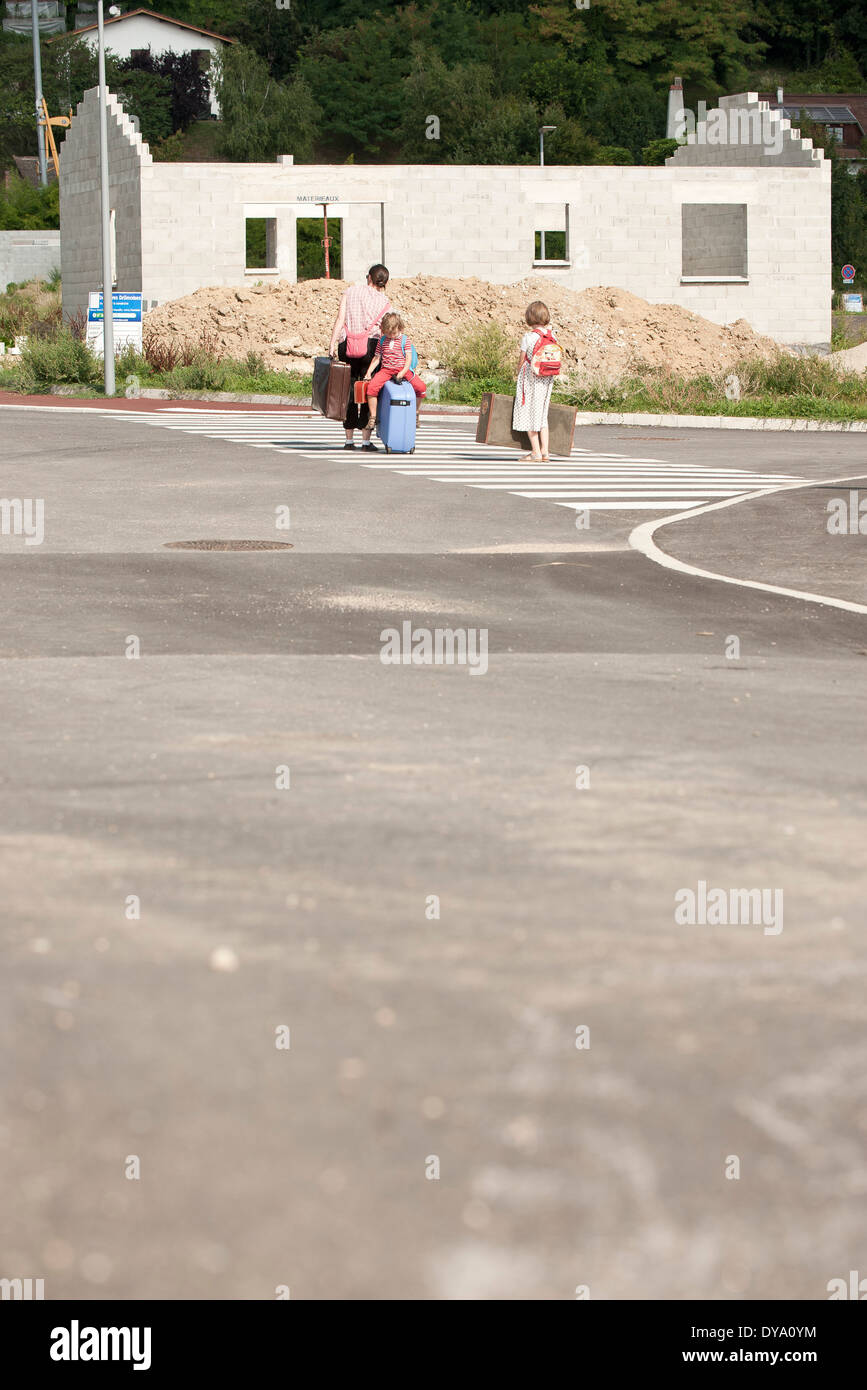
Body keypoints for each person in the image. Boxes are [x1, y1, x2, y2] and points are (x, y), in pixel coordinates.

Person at [328, 264, 392, 450]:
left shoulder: (350, 292)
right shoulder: (384, 301)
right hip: (370, 348)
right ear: (384, 282)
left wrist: (332, 343)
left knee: (347, 391)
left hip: (346, 344)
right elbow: (386, 330)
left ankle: (348, 440)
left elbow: (340, 319)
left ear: (368, 278)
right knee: (367, 390)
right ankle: (365, 440)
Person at [363, 313, 427, 428]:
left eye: (394, 333)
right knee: (371, 388)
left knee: (421, 387)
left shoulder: (405, 340)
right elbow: (377, 358)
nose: (391, 336)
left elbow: (408, 358)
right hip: (386, 369)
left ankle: (416, 412)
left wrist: (402, 372)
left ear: (400, 328)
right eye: (388, 334)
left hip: (402, 369)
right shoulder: (382, 340)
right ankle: (373, 416)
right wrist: (369, 372)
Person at [513, 300, 557, 462]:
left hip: (530, 378)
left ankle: (535, 452)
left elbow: (522, 360)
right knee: (542, 414)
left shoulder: (528, 337)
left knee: (529, 413)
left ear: (529, 317)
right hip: (546, 380)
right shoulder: (552, 335)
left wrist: (517, 373)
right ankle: (545, 451)